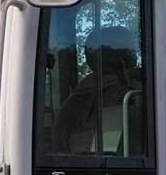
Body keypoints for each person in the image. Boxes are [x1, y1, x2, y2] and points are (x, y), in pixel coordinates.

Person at [52, 26, 144, 156]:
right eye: (130, 49)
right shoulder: (133, 93)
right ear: (118, 58)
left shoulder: (74, 99)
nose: (134, 54)